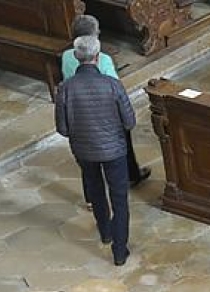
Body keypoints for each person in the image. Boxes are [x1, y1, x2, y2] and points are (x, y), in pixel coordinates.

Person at [55, 35, 136, 268]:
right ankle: (119, 251)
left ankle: (105, 233)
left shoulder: (66, 88)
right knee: (119, 200)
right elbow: (129, 121)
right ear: (98, 57)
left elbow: (62, 128)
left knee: (96, 192)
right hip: (114, 151)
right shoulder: (112, 85)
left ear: (77, 57)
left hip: (84, 151)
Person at [60, 15, 150, 189]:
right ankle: (131, 176)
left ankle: (92, 196)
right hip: (107, 111)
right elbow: (114, 86)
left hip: (80, 110)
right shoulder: (103, 59)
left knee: (87, 158)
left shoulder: (66, 56)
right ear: (94, 36)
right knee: (123, 146)